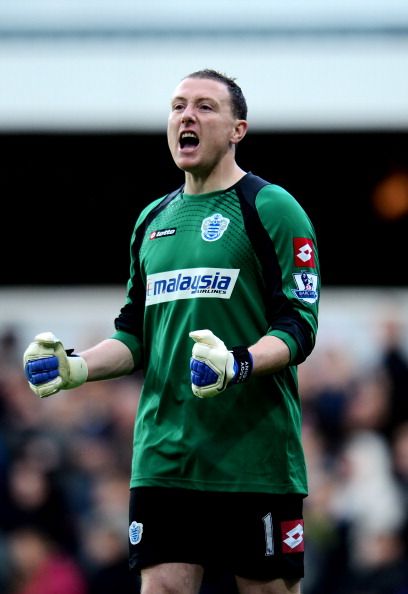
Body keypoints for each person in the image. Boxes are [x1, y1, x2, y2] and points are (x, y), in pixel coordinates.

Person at [23, 69, 320, 594]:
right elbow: (134, 336)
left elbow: (299, 326)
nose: (187, 115)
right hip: (164, 457)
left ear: (237, 130)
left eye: (205, 107)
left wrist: (238, 362)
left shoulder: (271, 207)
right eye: (178, 105)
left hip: (252, 458)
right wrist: (77, 366)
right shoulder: (152, 220)